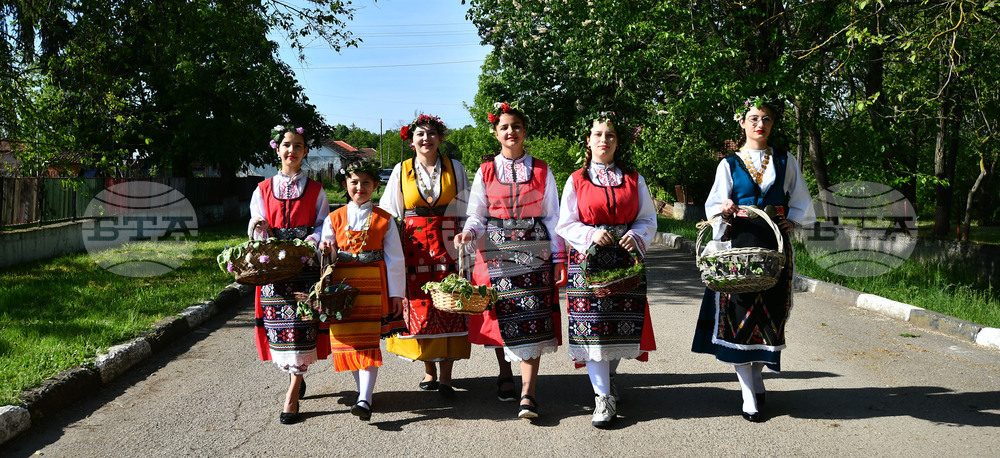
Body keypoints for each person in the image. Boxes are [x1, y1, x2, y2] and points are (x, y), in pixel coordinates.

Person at [691, 98, 815, 422]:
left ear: (773, 124)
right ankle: (748, 394)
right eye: (754, 118)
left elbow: (801, 201)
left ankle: (756, 376)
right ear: (743, 123)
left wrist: (794, 221)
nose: (760, 124)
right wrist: (726, 209)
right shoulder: (728, 165)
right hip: (738, 249)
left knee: (770, 318)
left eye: (767, 119)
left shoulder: (787, 162)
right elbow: (713, 206)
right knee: (738, 315)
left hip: (774, 251)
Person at [453, 102, 567, 419]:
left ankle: (529, 393)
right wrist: (467, 233)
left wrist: (559, 258)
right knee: (499, 315)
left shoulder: (542, 170)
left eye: (516, 126)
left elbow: (553, 216)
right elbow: (477, 214)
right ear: (495, 133)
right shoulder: (486, 170)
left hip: (536, 252)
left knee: (533, 319)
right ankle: (505, 372)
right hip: (495, 253)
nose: (510, 131)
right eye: (504, 127)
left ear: (524, 131)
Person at [555, 112, 657, 428]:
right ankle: (602, 397)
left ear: (617, 142)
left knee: (618, 325)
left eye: (610, 136)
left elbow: (648, 218)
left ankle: (610, 379)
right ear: (588, 140)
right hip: (588, 264)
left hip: (626, 260)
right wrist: (589, 234)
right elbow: (565, 222)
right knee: (594, 327)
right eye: (598, 134)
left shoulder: (634, 178)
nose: (603, 140)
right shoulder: (577, 179)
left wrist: (635, 234)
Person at [380, 113, 471, 395]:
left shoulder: (454, 168)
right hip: (413, 245)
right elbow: (389, 210)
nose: (426, 138)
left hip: (448, 242)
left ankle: (446, 375)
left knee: (448, 304)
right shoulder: (401, 170)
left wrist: (467, 240)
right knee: (421, 305)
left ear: (440, 138)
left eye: (431, 133)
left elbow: (466, 206)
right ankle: (428, 371)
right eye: (420, 134)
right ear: (411, 141)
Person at [248, 124, 331, 425]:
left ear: (305, 151)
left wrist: (311, 242)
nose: (291, 150)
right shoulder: (263, 189)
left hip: (304, 268)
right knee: (279, 331)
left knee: (301, 330)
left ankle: (292, 394)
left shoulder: (317, 190)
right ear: (277, 148)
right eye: (286, 145)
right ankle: (297, 373)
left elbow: (323, 225)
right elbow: (255, 224)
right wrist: (259, 227)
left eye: (297, 146)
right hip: (274, 270)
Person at [318, 160, 405, 422]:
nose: (360, 187)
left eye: (366, 182)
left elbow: (395, 258)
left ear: (375, 186)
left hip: (373, 286)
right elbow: (328, 254)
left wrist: (396, 294)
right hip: (341, 289)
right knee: (351, 341)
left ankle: (365, 398)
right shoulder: (334, 218)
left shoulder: (384, 219)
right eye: (354, 182)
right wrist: (325, 249)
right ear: (345, 185)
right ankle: (362, 393)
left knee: (367, 342)